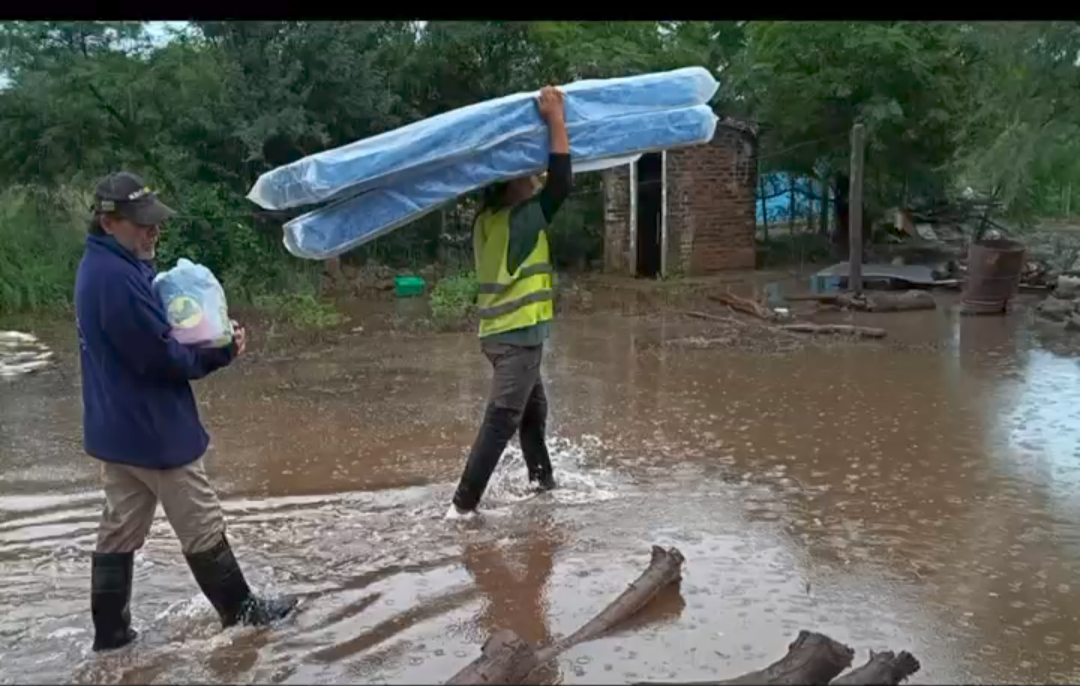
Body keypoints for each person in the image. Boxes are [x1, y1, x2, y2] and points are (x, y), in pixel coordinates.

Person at [74, 171, 297, 652]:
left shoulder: (107, 266)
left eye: (154, 222)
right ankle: (241, 615)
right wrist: (222, 352)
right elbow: (164, 357)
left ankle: (111, 637)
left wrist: (206, 330)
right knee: (201, 522)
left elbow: (157, 331)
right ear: (108, 222)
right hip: (154, 432)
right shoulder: (115, 279)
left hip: (118, 430)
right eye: (142, 224)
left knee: (119, 531)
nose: (153, 231)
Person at [448, 86, 572, 518]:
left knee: (533, 413)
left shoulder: (487, 219)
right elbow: (562, 185)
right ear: (509, 184)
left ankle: (543, 484)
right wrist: (556, 119)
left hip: (502, 335)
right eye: (527, 175)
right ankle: (461, 509)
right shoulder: (520, 221)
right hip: (517, 338)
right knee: (502, 419)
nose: (534, 180)